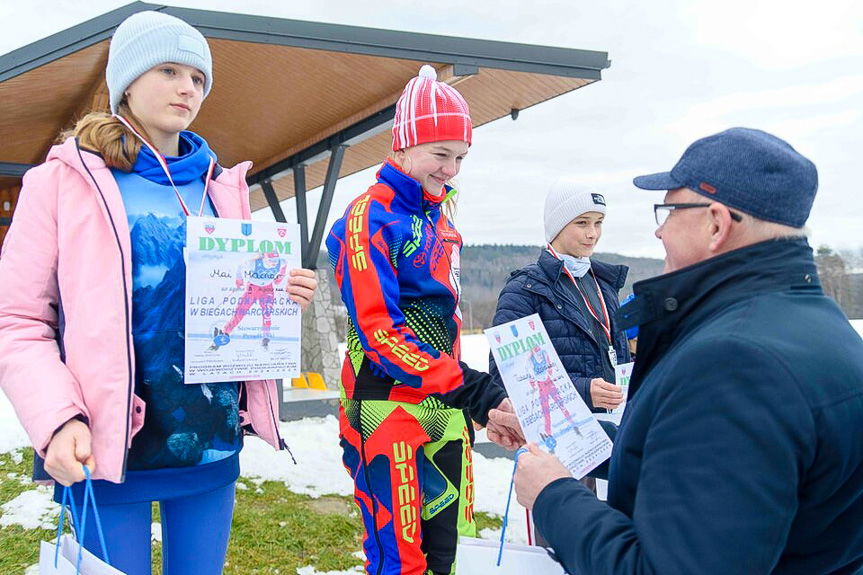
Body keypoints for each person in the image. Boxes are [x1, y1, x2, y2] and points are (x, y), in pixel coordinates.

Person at [0, 11, 318, 575]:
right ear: (126, 81)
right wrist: (57, 419)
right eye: (169, 70)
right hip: (101, 446)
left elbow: (235, 301)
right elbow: (18, 320)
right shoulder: (61, 181)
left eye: (198, 78)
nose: (187, 88)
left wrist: (278, 296)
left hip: (210, 442)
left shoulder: (221, 187)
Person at [496, 127, 863, 574]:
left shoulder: (733, 363)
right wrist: (573, 441)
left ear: (715, 223)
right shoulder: (824, 327)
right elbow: (700, 458)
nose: (658, 230)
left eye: (668, 210)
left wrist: (552, 493)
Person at [326, 65, 520, 575]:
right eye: (441, 154)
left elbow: (446, 317)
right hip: (385, 408)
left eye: (460, 157)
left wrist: (473, 403)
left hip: (445, 408)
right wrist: (475, 390)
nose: (451, 169)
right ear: (403, 146)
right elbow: (380, 330)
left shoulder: (441, 215)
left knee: (450, 551)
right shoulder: (369, 215)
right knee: (402, 562)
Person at [490, 184, 630, 412]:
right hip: (560, 434)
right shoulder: (525, 289)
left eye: (598, 222)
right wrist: (583, 391)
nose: (592, 233)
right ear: (557, 227)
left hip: (615, 428)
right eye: (582, 222)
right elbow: (507, 377)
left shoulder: (605, 285)